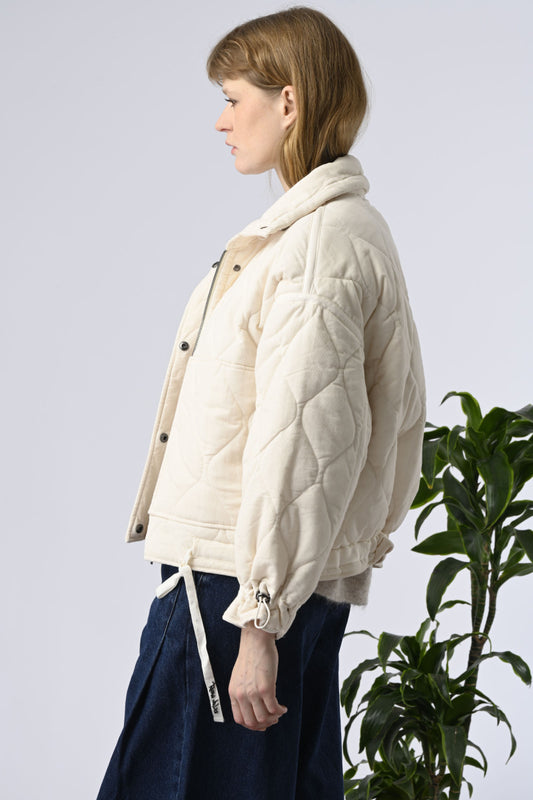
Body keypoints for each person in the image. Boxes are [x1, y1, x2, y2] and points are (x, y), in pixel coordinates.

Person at [96, 7, 425, 800]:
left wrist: (259, 622)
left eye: (231, 98)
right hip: (266, 588)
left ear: (288, 101)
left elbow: (303, 445)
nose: (220, 121)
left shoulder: (315, 247)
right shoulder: (334, 231)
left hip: (232, 594)